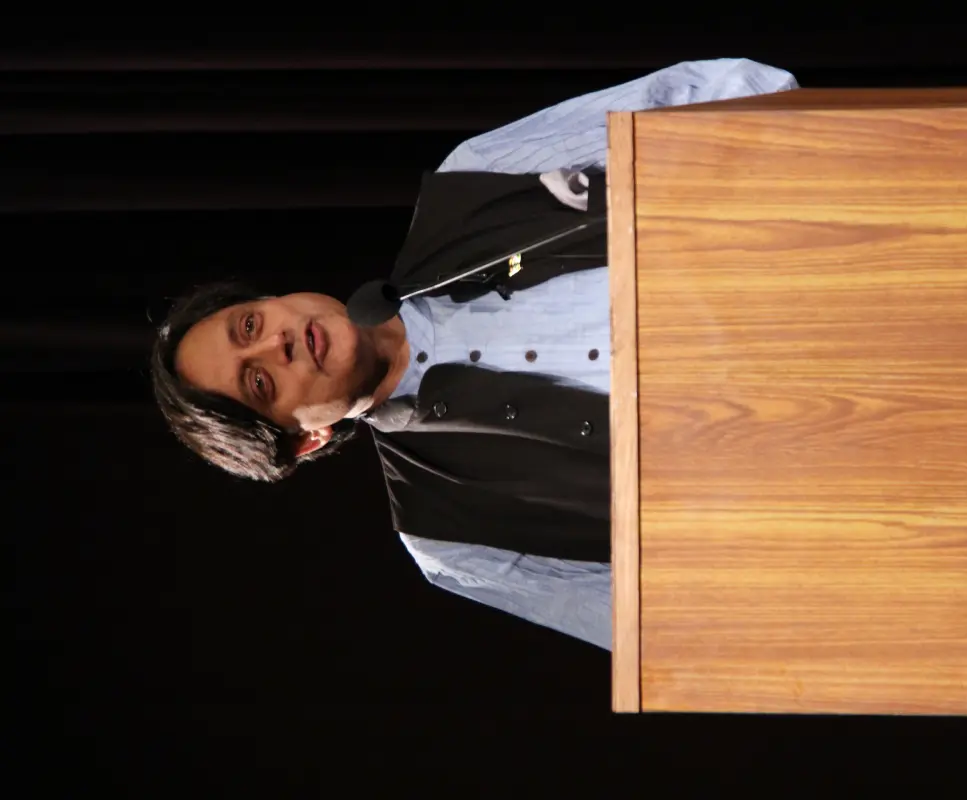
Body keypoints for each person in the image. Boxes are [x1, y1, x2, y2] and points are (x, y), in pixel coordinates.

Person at [152, 59, 799, 650]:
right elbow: (676, 627)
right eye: (260, 382)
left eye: (250, 325)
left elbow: (707, 97)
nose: (278, 343)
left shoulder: (473, 181)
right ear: (305, 441)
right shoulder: (451, 536)